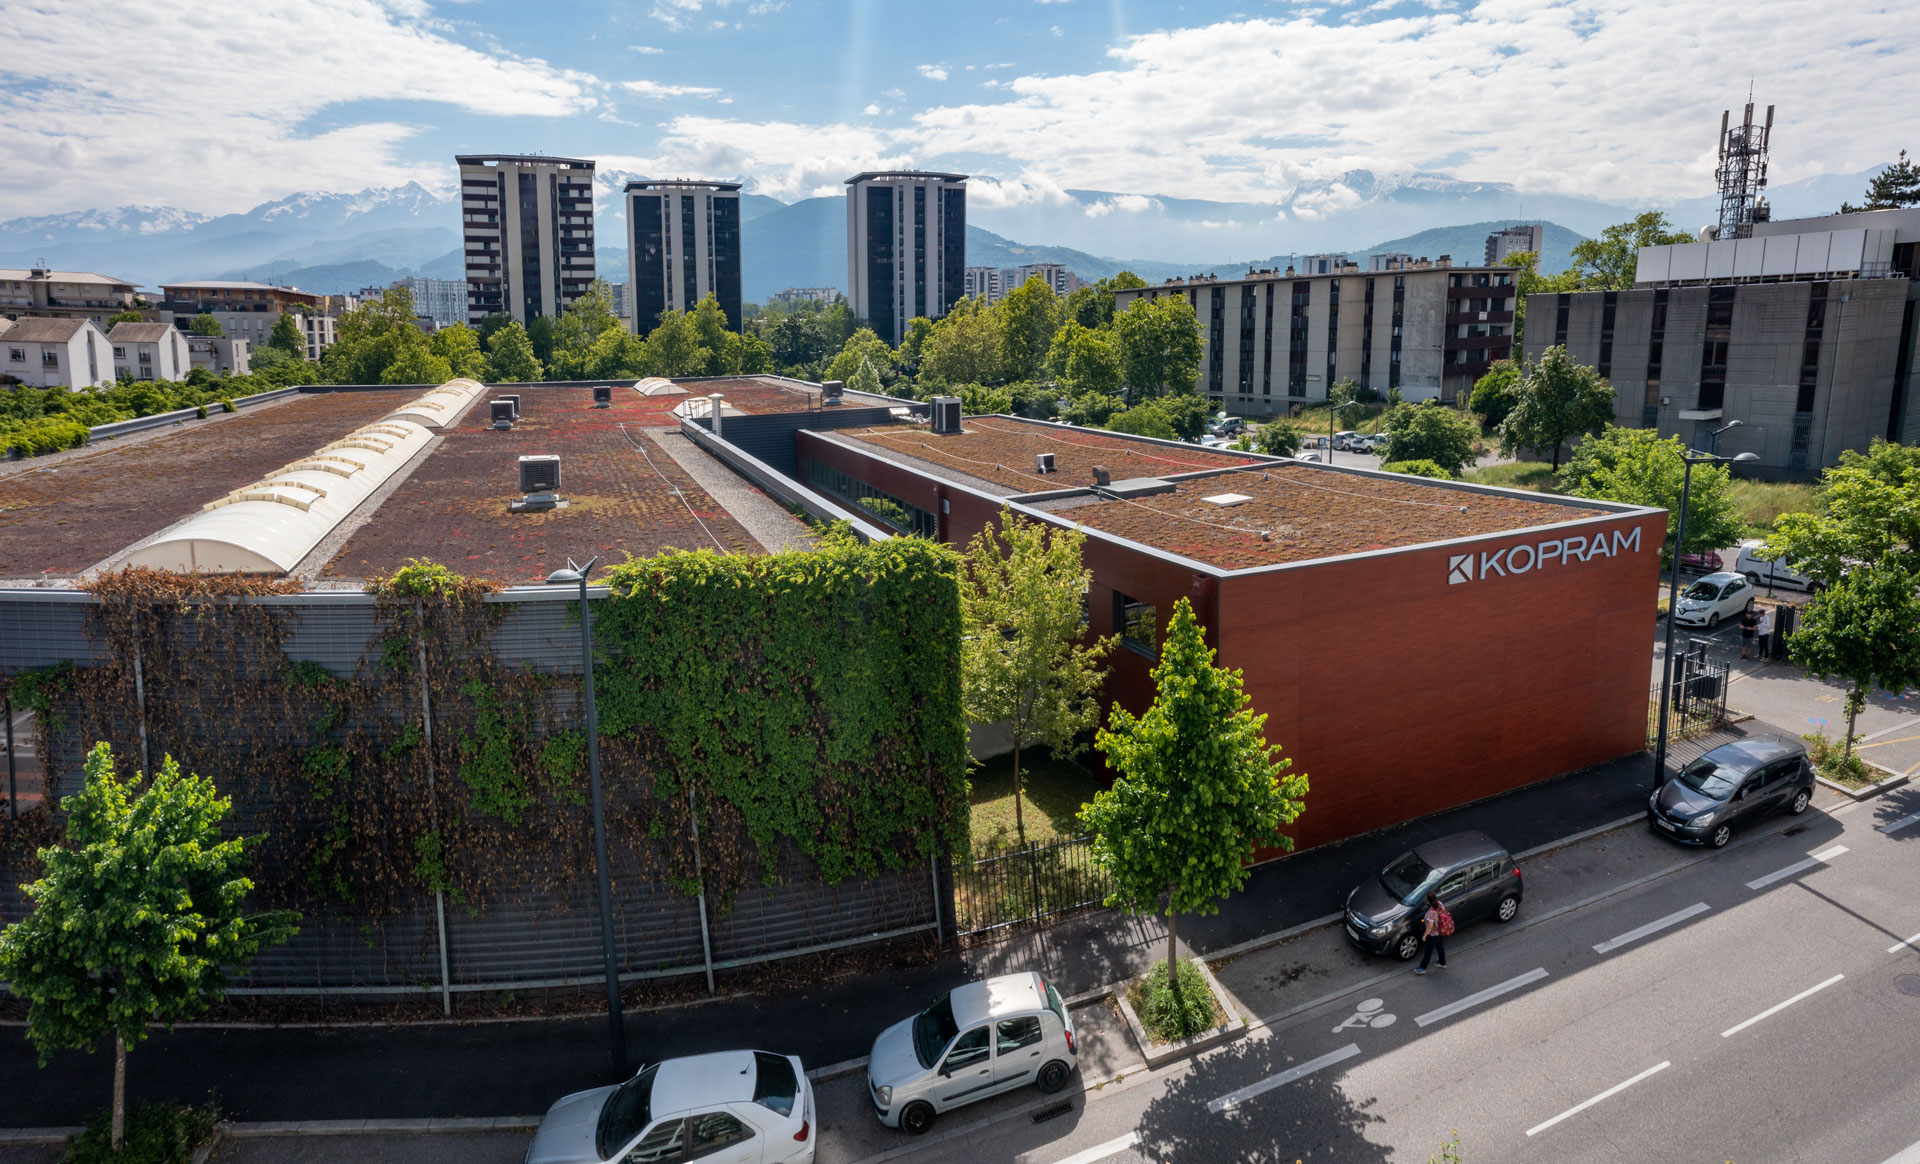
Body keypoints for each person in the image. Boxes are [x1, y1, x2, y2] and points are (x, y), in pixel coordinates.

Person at [1413, 892, 1449, 974]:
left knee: (1428, 951)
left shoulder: (1430, 914)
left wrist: (1424, 936)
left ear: (1428, 901)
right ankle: (1442, 962)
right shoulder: (1440, 903)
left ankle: (1422, 967)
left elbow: (1429, 928)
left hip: (1433, 934)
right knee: (1440, 947)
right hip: (1441, 930)